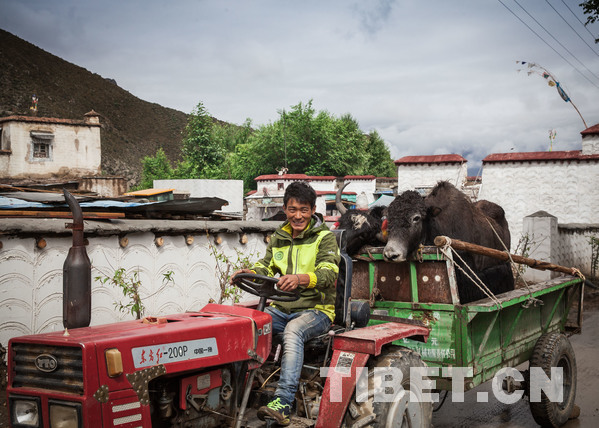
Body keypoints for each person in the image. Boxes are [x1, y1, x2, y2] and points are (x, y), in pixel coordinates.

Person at [231, 181, 340, 426]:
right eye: (292, 209)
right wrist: (249, 271)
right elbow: (266, 267)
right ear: (285, 209)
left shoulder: (325, 238)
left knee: (293, 331)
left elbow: (328, 275)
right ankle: (235, 393)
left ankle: (283, 402)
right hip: (282, 308)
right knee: (247, 324)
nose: (298, 215)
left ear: (313, 210)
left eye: (303, 209)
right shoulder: (279, 237)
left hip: (317, 310)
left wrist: (300, 279)